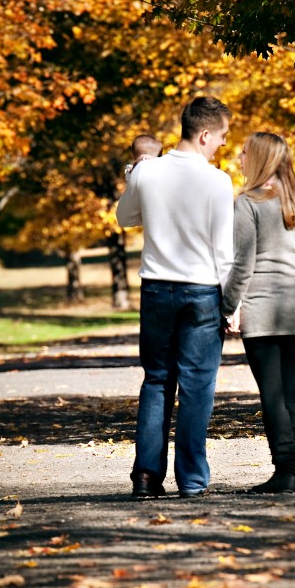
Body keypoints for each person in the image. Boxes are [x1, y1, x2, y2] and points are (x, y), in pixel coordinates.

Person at [116, 96, 234, 498]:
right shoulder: (217, 181)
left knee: (157, 381)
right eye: (221, 137)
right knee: (198, 384)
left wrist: (135, 177)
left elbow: (125, 218)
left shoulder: (147, 173)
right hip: (202, 290)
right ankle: (192, 479)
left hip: (156, 288)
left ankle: (147, 476)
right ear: (204, 135)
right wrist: (232, 305)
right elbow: (224, 252)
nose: (222, 145)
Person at [222, 132, 295, 494]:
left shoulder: (247, 203)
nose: (239, 158)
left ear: (259, 159)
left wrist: (226, 306)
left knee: (272, 393)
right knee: (289, 390)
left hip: (263, 310)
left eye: (244, 153)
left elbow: (243, 264)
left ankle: (285, 470)